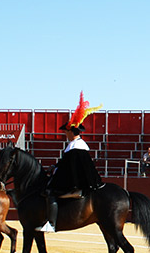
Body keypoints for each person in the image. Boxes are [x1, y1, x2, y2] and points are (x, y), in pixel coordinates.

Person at [38, 94, 103, 233]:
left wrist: (56, 170)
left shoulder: (75, 147)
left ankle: (51, 223)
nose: (65, 134)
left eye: (66, 131)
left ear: (71, 131)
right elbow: (67, 163)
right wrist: (56, 166)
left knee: (50, 192)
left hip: (75, 182)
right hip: (81, 179)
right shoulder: (78, 145)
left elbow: (69, 167)